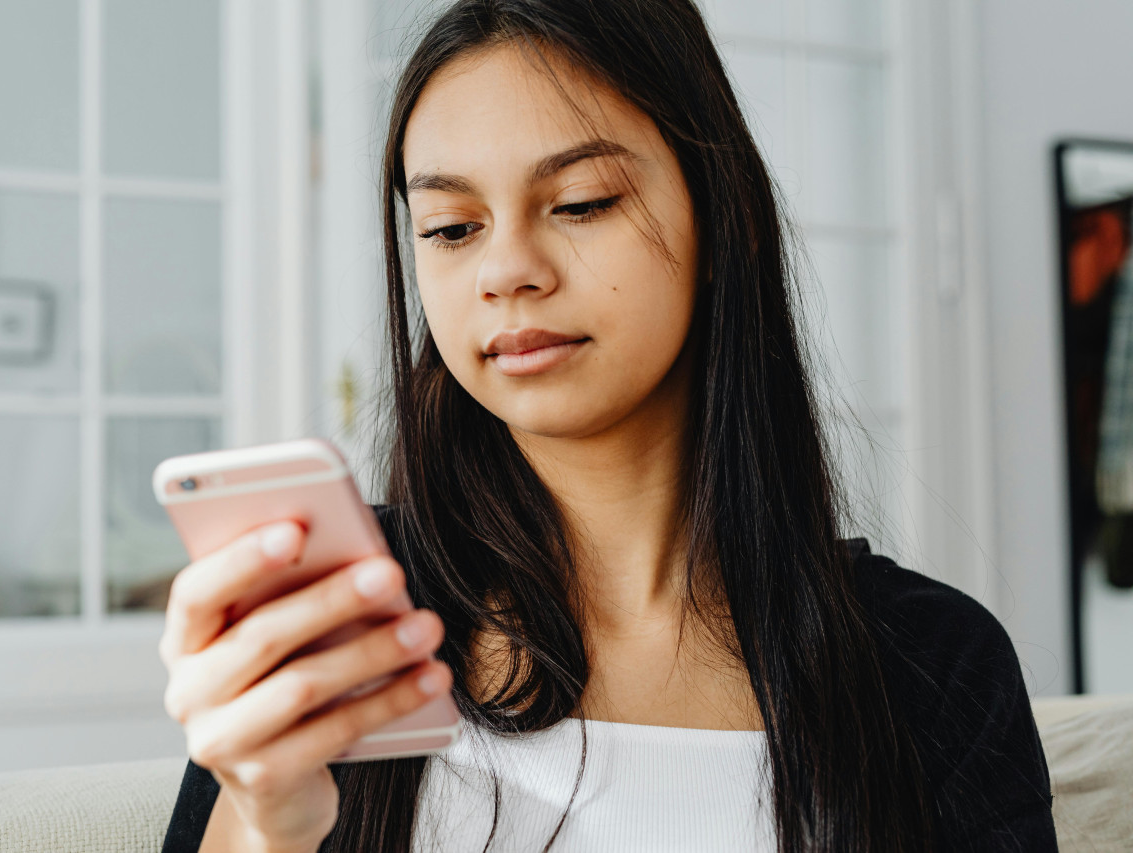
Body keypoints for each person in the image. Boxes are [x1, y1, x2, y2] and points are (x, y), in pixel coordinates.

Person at [158, 1, 1057, 850]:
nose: (506, 270)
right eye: (450, 226)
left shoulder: (937, 664)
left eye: (581, 202)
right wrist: (266, 821)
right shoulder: (341, 623)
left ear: (728, 217)